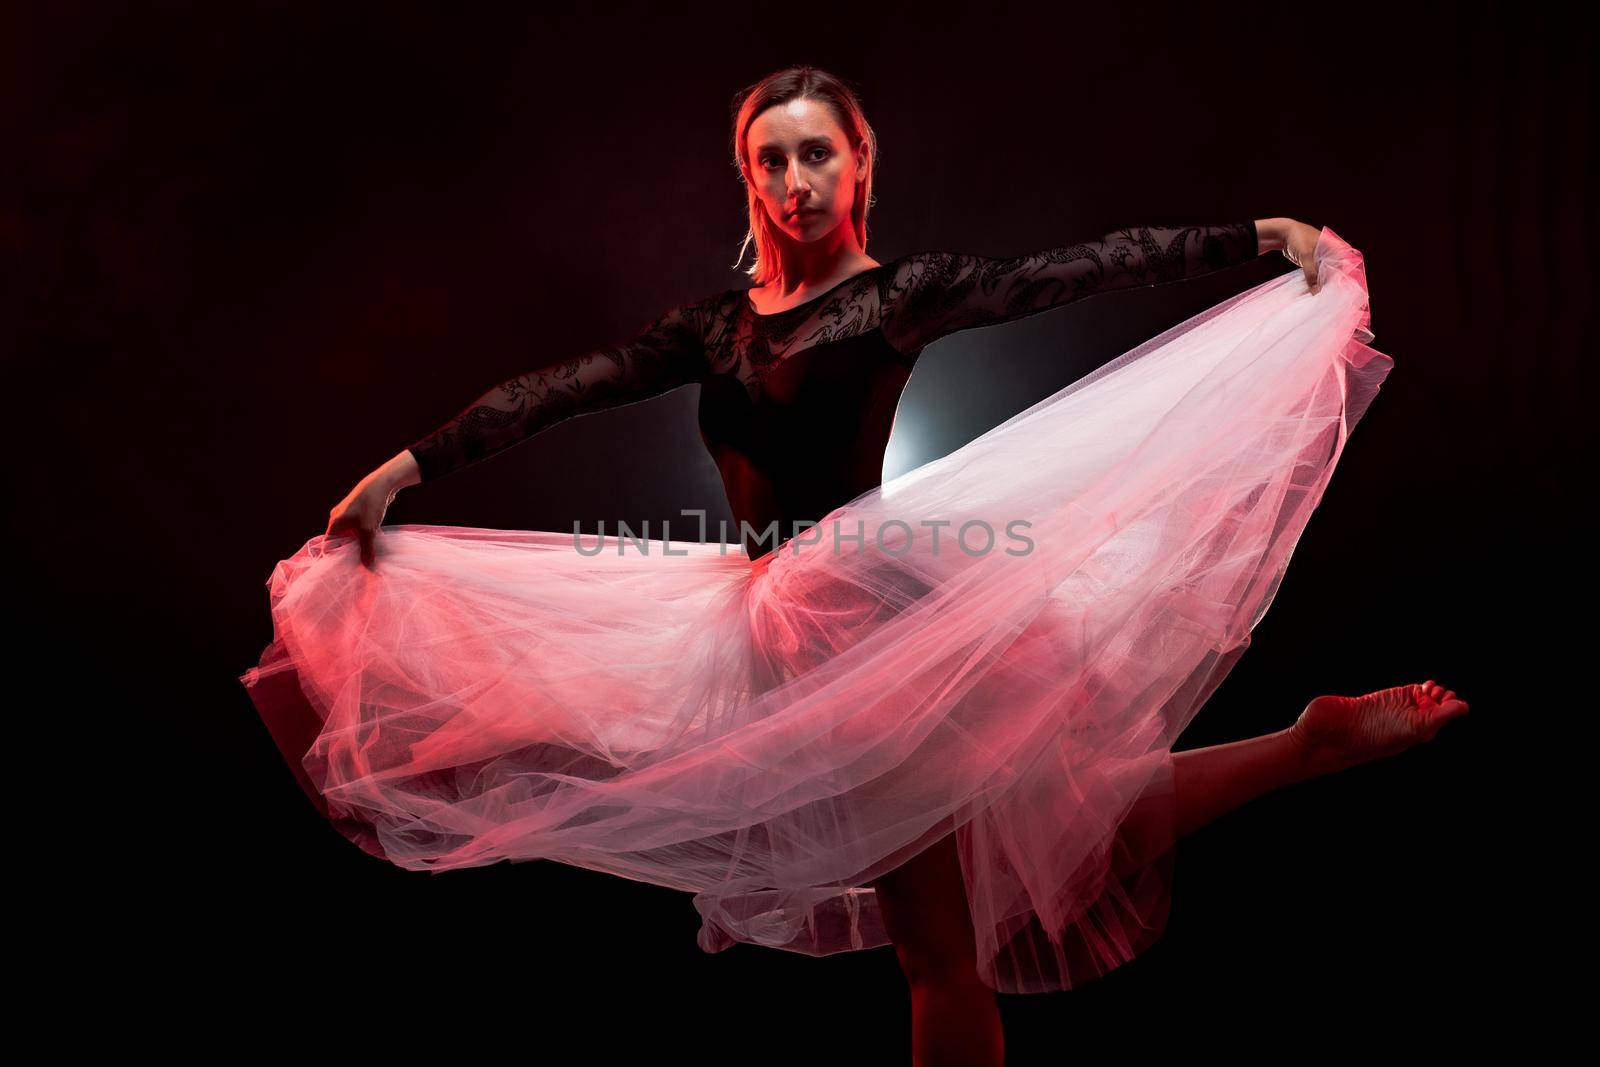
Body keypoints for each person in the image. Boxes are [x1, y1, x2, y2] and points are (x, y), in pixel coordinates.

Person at [244, 67, 1467, 1067]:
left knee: (941, 942)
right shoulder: (712, 328)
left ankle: (1302, 747)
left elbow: (1079, 266)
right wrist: (407, 465)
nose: (794, 180)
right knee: (1028, 845)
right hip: (762, 621)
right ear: (747, 177)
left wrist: (1252, 235)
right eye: (771, 160)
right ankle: (1301, 746)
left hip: (870, 618)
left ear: (858, 166)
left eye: (817, 154)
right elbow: (563, 389)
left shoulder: (894, 299)